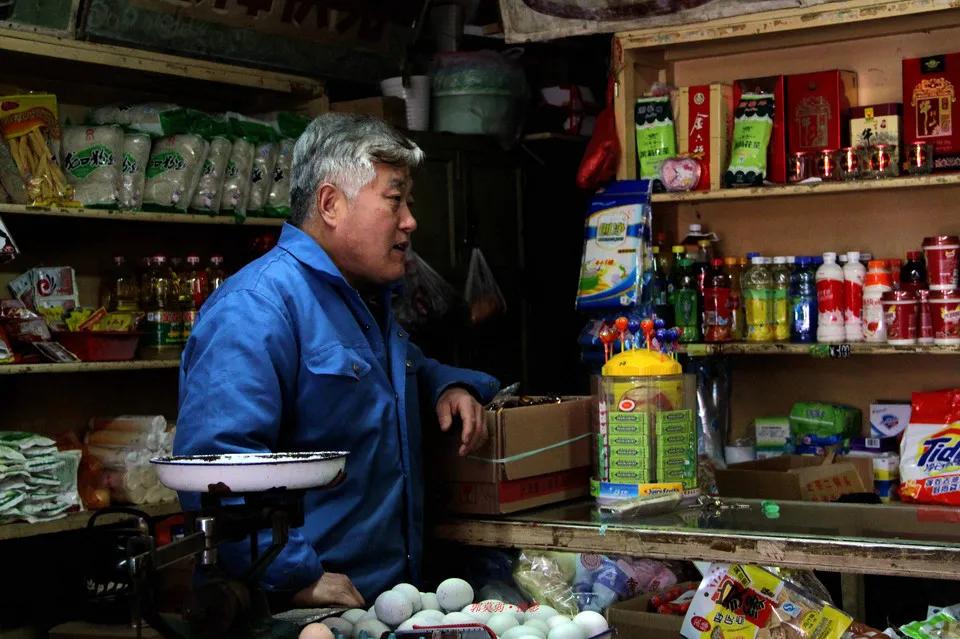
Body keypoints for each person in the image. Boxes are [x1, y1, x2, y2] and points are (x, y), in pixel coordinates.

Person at [173, 113, 501, 609]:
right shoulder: (256, 308)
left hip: (379, 600)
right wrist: (292, 576)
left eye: (408, 203)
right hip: (294, 609)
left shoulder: (362, 300)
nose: (410, 221)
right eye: (394, 199)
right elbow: (217, 470)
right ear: (331, 204)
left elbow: (404, 371)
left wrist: (450, 386)